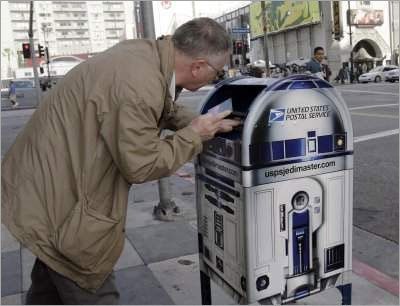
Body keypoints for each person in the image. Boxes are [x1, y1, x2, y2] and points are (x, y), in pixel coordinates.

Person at [1, 17, 240, 305]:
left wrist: (206, 123)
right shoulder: (139, 84)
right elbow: (142, 164)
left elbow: (159, 106)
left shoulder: (145, 56)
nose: (215, 79)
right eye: (216, 73)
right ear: (198, 66)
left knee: (50, 279)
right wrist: (194, 134)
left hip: (43, 188)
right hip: (62, 202)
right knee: (88, 280)